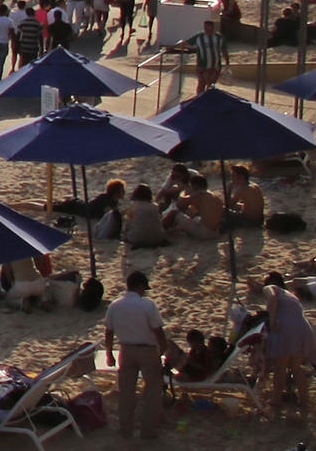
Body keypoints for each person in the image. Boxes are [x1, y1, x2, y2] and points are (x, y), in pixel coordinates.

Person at [105, 271, 171, 438]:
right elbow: (158, 331)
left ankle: (125, 429)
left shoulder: (115, 305)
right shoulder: (147, 305)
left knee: (126, 393)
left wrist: (109, 354)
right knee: (153, 392)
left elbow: (109, 332)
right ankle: (147, 431)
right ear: (140, 286)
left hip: (125, 350)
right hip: (146, 350)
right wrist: (162, 350)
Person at [256, 272, 316, 410]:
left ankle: (276, 399)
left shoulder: (271, 288)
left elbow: (272, 297)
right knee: (296, 368)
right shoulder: (291, 296)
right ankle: (304, 401)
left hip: (286, 329)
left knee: (281, 367)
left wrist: (272, 320)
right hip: (303, 329)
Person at [164, 172, 224, 241]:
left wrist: (184, 192)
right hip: (215, 232)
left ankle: (160, 230)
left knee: (174, 213)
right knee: (192, 214)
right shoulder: (215, 196)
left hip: (204, 233)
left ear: (195, 186)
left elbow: (180, 203)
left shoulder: (199, 194)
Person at [191, 18, 227, 92]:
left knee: (211, 85)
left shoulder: (219, 37)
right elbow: (186, 43)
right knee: (201, 83)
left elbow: (224, 49)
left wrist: (227, 61)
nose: (207, 30)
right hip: (202, 65)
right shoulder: (199, 37)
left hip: (215, 66)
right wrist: (172, 47)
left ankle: (208, 99)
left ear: (213, 28)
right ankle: (199, 99)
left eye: (208, 28)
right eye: (205, 28)